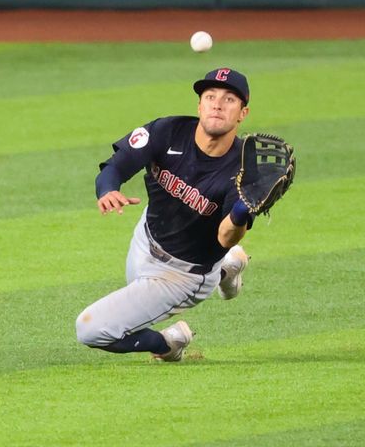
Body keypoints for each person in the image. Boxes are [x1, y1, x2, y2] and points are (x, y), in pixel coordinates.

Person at [75, 68, 256, 362]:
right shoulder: (168, 131)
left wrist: (240, 211)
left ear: (242, 113)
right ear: (199, 105)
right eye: (210, 96)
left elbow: (226, 235)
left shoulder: (243, 169)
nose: (217, 104)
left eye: (229, 99)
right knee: (133, 302)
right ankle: (228, 268)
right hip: (145, 239)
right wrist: (108, 190)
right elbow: (116, 166)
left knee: (92, 330)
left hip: (184, 275)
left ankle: (169, 342)